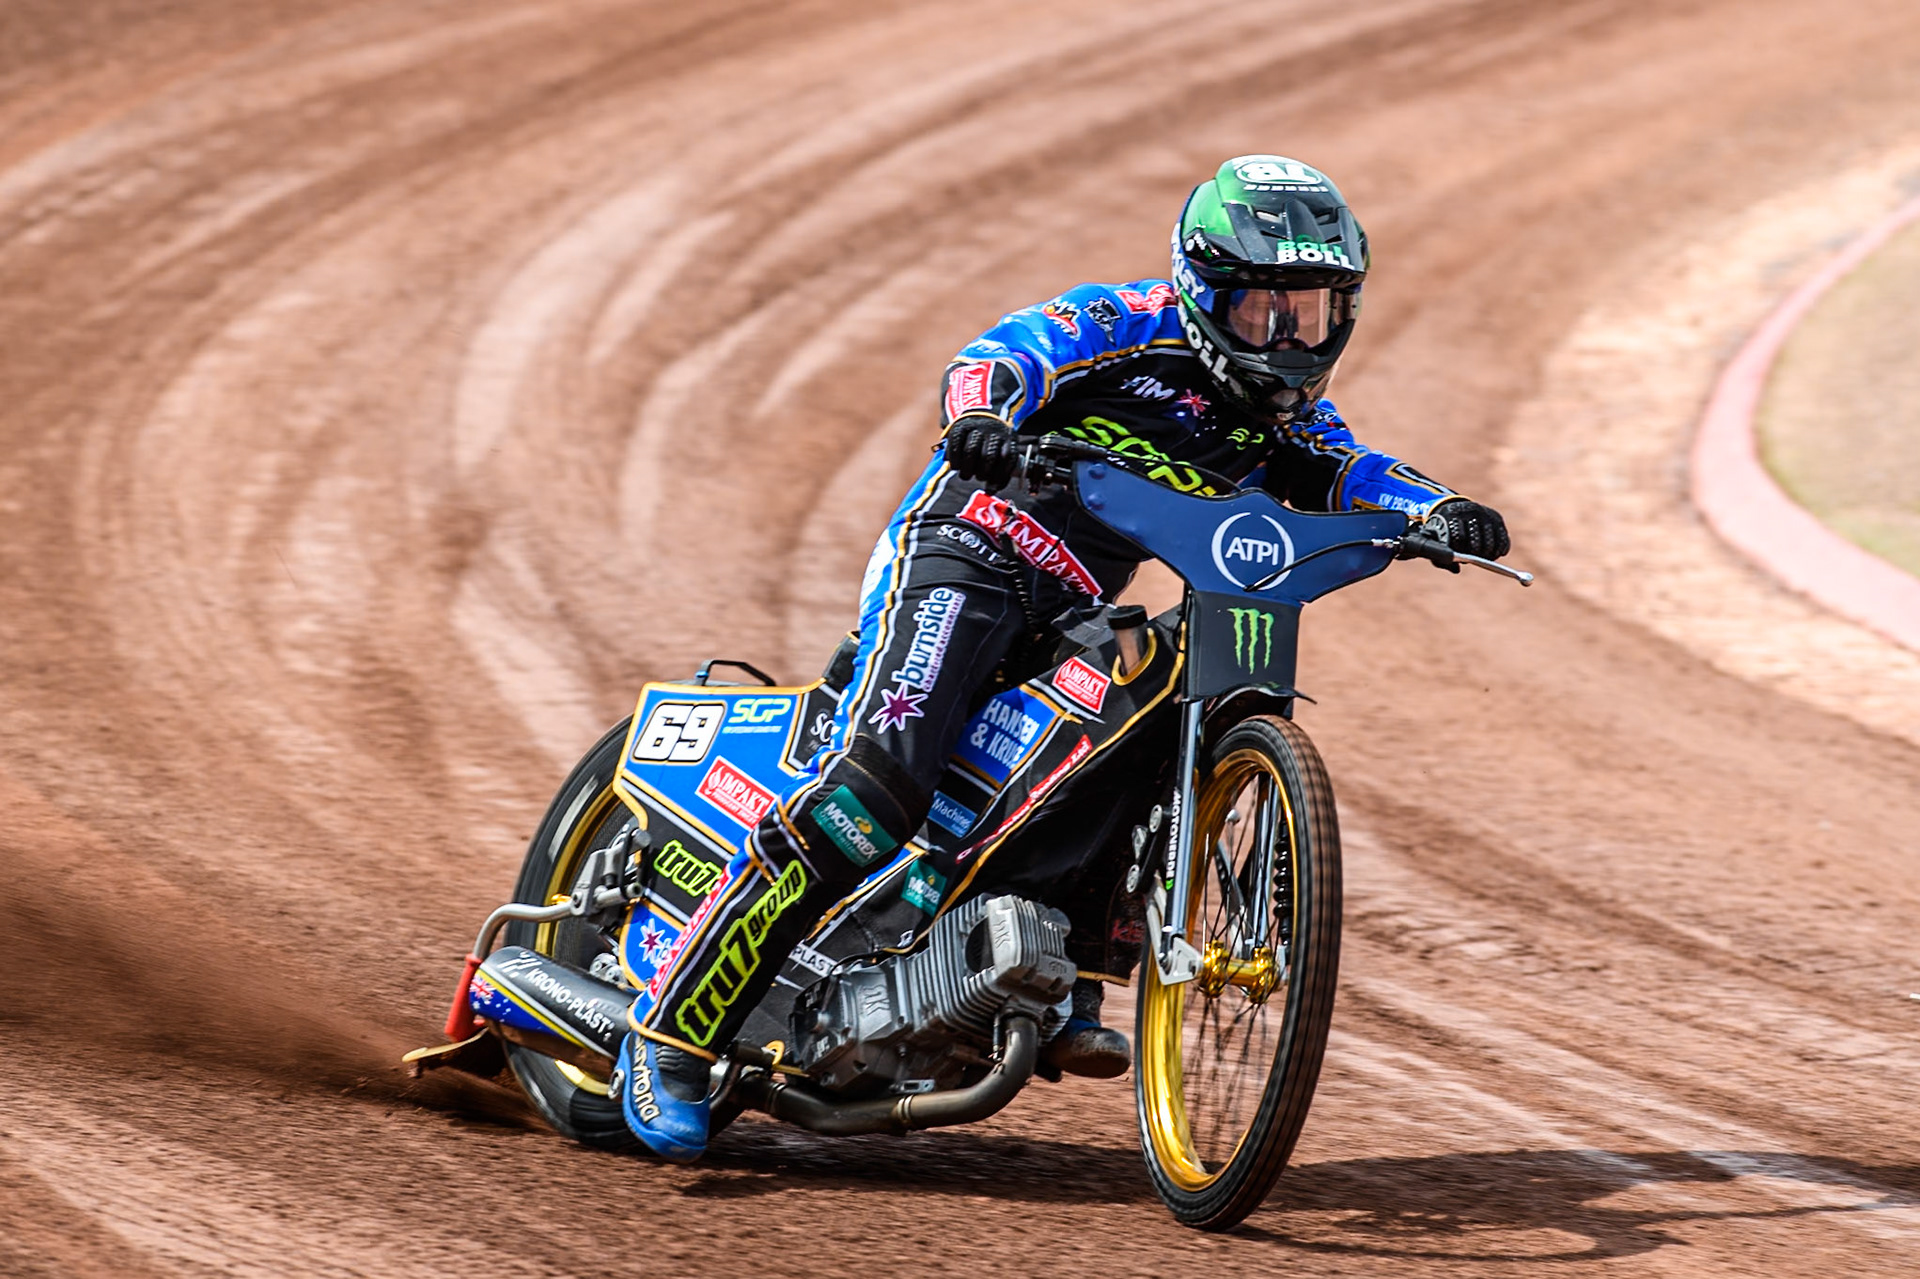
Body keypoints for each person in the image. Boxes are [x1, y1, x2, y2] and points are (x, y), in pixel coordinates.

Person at [609, 154, 1511, 1161]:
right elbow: (994, 359)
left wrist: (1436, 510)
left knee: (1153, 694)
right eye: (1263, 308)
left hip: (1070, 608)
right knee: (879, 791)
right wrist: (982, 423)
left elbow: (1353, 469)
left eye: (1310, 309)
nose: (1288, 336)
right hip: (963, 558)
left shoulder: (1287, 420)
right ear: (1203, 291)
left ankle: (1061, 957)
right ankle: (671, 1028)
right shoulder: (1122, 324)